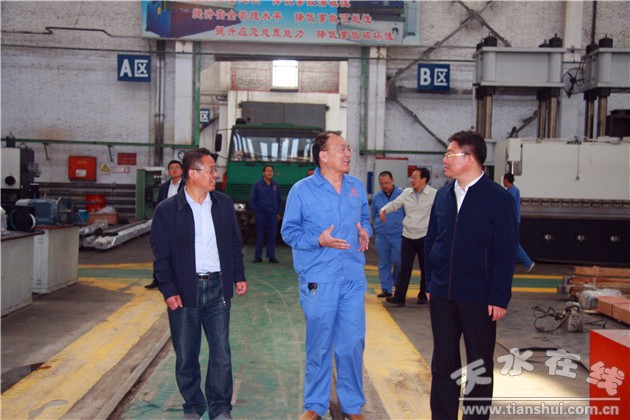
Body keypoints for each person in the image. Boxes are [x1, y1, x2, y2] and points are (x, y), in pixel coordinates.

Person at [425, 131, 518, 420]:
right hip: (442, 294)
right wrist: (429, 282)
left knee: (479, 364)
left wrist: (499, 296)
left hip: (479, 296)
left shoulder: (498, 199)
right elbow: (432, 240)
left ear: (469, 158)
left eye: (449, 154)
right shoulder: (443, 195)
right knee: (443, 361)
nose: (444, 159)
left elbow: (506, 251)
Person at [150, 148, 247, 420]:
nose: (215, 174)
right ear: (192, 173)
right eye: (211, 170)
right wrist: (169, 289)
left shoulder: (223, 204)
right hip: (185, 290)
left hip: (218, 287)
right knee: (186, 355)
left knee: (221, 353)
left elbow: (234, 243)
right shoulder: (167, 210)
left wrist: (238, 275)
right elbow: (161, 255)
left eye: (215, 169)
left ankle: (220, 408)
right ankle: (193, 406)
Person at [281, 130, 372, 420]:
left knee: (352, 343)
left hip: (352, 277)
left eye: (348, 148)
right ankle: (315, 405)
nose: (348, 154)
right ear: (323, 155)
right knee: (319, 344)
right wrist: (318, 240)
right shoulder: (302, 190)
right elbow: (289, 232)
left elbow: (365, 219)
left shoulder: (356, 187)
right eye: (341, 149)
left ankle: (352, 405)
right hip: (319, 278)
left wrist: (365, 232)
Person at [380, 167, 436, 306]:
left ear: (424, 179)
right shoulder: (407, 192)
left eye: (415, 177)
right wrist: (384, 210)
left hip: (425, 236)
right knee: (404, 267)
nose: (412, 180)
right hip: (408, 235)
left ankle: (423, 295)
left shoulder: (434, 194)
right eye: (411, 177)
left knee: (425, 267)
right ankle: (399, 297)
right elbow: (395, 204)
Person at [146, 159, 185, 289]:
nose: (174, 170)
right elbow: (159, 205)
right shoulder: (163, 187)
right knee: (160, 251)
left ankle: (179, 279)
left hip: (180, 222)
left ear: (182, 170)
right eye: (171, 168)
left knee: (179, 252)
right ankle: (157, 279)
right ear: (168, 172)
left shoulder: (186, 186)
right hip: (165, 223)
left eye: (176, 167)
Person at [371, 171, 404, 298]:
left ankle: (397, 283)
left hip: (398, 235)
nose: (384, 186)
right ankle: (386, 289)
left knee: (398, 261)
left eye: (387, 183)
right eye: (382, 184)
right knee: (384, 263)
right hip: (382, 236)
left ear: (392, 181)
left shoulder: (401, 195)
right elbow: (374, 214)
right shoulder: (376, 197)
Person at [503, 173, 535, 273]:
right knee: (509, 242)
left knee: (512, 242)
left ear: (506, 180)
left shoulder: (513, 191)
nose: (503, 181)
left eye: (504, 179)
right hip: (510, 220)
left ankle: (527, 262)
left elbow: (507, 204)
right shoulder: (510, 191)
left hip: (511, 221)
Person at [249, 165, 282, 264]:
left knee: (272, 235)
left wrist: (278, 213)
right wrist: (257, 212)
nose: (269, 173)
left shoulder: (275, 186)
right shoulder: (257, 185)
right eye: (267, 171)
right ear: (263, 173)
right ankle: (258, 256)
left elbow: (279, 200)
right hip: (261, 214)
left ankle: (271, 256)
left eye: (271, 171)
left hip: (272, 214)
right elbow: (252, 200)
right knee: (260, 235)